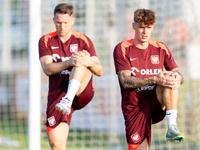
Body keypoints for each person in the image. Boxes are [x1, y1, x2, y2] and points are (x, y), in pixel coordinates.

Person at [113, 9, 184, 150]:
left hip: (155, 102)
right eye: (141, 27)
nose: (145, 31)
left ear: (153, 27)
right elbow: (125, 81)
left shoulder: (161, 47)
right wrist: (154, 79)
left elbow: (178, 73)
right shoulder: (123, 48)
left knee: (170, 77)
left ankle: (172, 127)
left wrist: (178, 78)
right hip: (135, 107)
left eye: (149, 27)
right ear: (134, 26)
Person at [39, 3, 103, 150]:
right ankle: (66, 100)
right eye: (59, 22)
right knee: (57, 146)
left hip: (81, 91)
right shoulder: (46, 40)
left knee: (80, 58)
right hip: (58, 93)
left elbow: (99, 71)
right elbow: (47, 68)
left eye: (66, 23)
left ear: (72, 21)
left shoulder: (83, 40)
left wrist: (87, 62)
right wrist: (68, 61)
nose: (62, 26)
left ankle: (68, 99)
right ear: (53, 20)